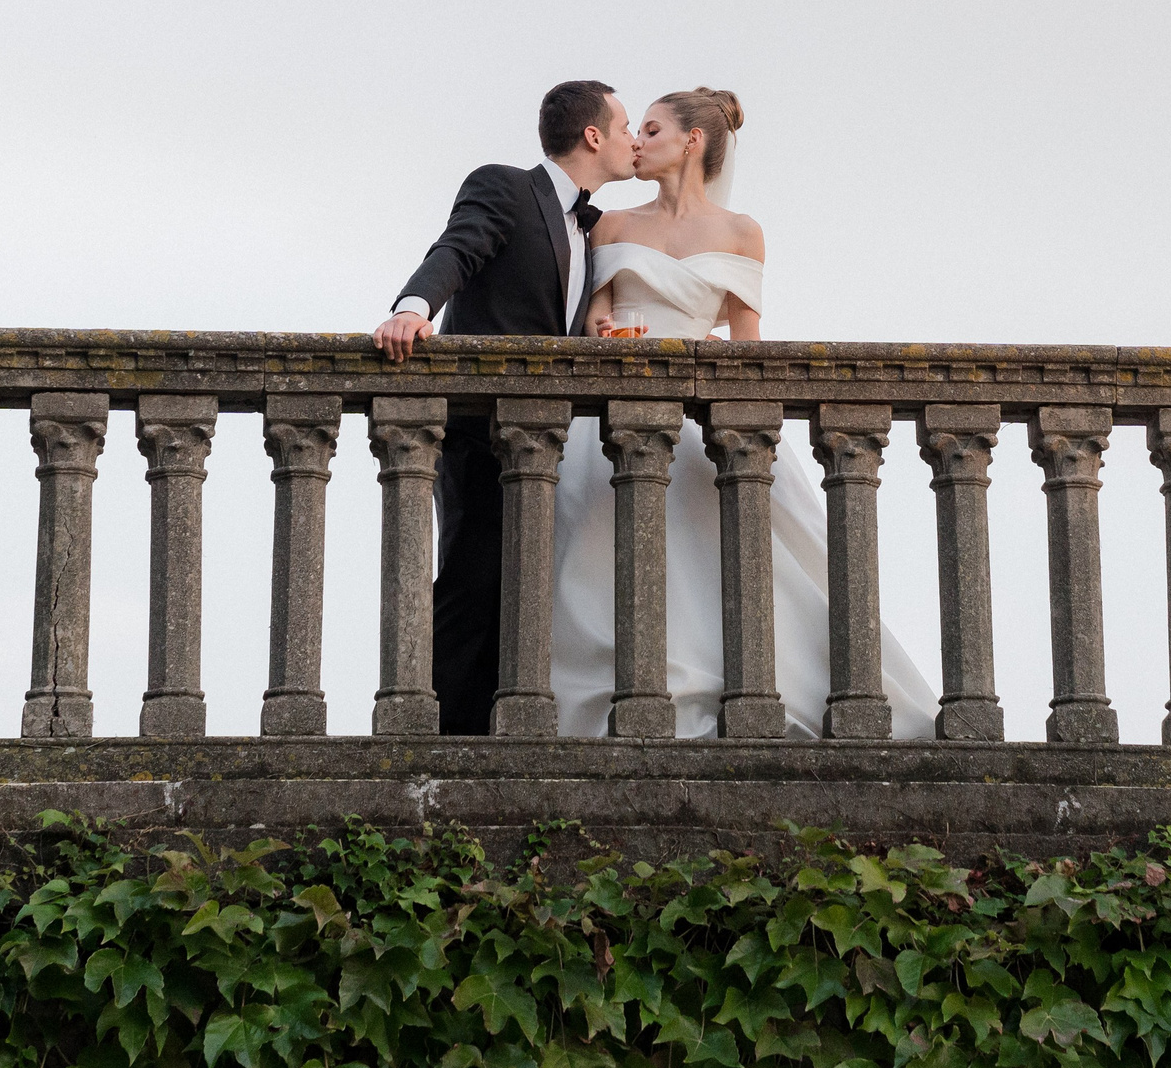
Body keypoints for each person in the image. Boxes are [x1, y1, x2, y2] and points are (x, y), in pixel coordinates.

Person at [550, 87, 939, 738]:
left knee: (734, 552)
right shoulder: (612, 225)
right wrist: (608, 330)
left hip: (703, 416)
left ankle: (736, 686)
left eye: (651, 129)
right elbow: (595, 319)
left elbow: (746, 340)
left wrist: (711, 356)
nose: (636, 141)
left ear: (693, 141)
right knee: (597, 557)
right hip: (618, 413)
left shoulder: (741, 232)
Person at [374, 80, 638, 734]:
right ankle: (435, 740)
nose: (634, 139)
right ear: (593, 135)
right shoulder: (506, 187)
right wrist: (413, 309)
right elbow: (456, 250)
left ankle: (488, 733)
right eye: (627, 125)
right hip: (478, 433)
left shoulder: (596, 227)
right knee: (473, 580)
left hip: (549, 443)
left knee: (521, 590)